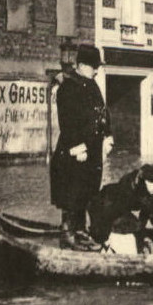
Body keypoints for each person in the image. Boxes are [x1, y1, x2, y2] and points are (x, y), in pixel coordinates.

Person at [49, 44, 114, 250]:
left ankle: (81, 231)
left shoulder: (92, 84)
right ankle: (67, 234)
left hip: (93, 151)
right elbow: (67, 121)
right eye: (95, 66)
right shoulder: (69, 87)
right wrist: (78, 147)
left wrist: (108, 135)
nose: (97, 70)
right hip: (74, 152)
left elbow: (103, 112)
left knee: (87, 191)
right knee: (72, 192)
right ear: (83, 65)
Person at [88, 162, 153, 253]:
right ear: (147, 181)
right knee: (130, 228)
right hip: (103, 204)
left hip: (119, 209)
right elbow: (108, 214)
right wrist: (102, 239)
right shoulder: (127, 188)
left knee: (138, 226)